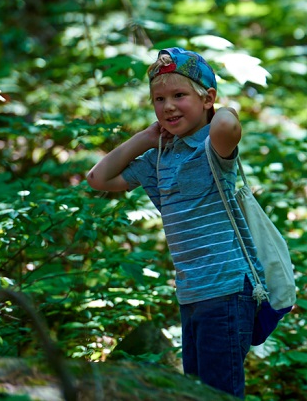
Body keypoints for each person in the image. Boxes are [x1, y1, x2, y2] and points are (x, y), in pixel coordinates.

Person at [86, 47, 264, 398]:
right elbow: (98, 178)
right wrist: (147, 137)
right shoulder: (159, 158)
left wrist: (213, 106)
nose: (167, 106)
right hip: (192, 292)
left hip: (227, 288)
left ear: (207, 98)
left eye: (179, 95)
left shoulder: (212, 147)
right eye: (159, 99)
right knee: (197, 391)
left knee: (220, 392)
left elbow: (227, 123)